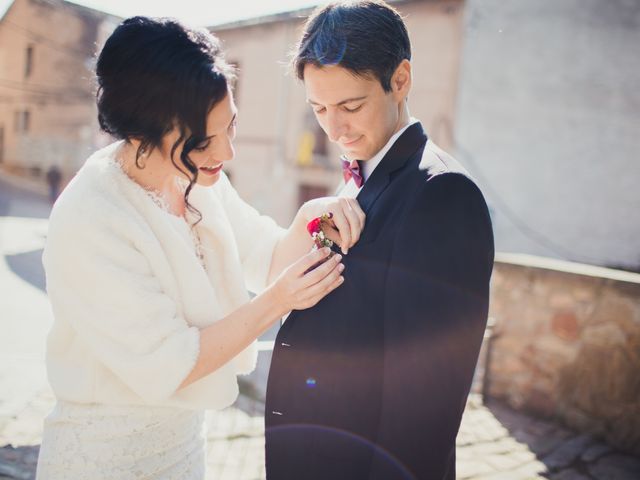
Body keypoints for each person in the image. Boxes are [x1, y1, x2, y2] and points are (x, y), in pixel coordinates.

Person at [35, 16, 365, 479]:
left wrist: (316, 214)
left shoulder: (198, 179)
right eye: (206, 140)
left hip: (184, 449)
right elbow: (168, 363)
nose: (227, 153)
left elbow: (267, 258)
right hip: (102, 455)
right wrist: (277, 303)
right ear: (147, 131)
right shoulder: (91, 216)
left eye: (231, 126)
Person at [265, 2, 495, 479]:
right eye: (319, 108)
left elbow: (423, 410)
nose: (334, 128)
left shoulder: (443, 195)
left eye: (350, 106)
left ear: (401, 79)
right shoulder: (358, 179)